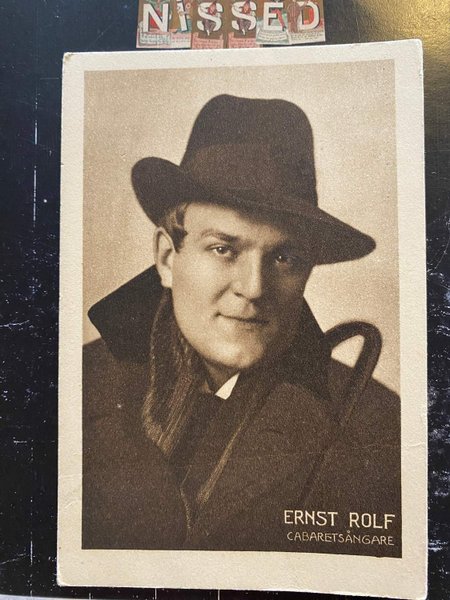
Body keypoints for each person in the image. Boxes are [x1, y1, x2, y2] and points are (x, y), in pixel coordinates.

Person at [82, 95, 401, 556]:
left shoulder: (378, 429)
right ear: (167, 258)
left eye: (284, 257)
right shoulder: (71, 388)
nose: (253, 288)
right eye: (223, 249)